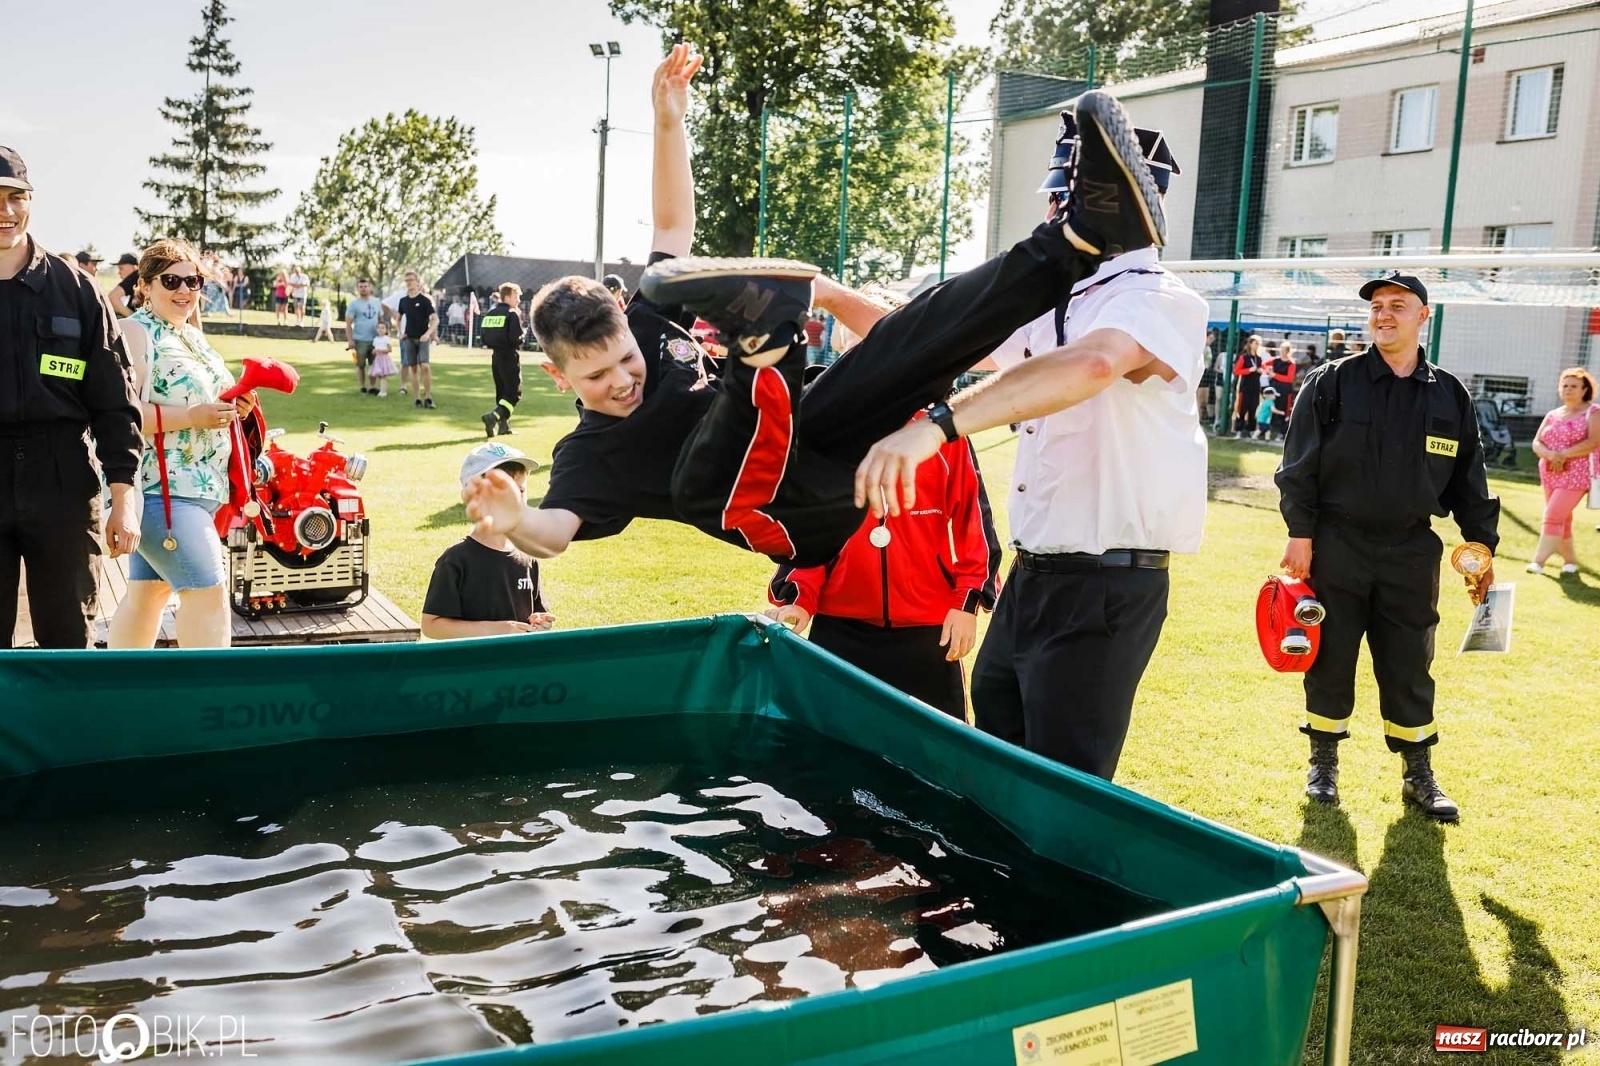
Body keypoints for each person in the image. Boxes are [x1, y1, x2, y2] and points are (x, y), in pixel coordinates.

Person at [463, 53, 1162, 576]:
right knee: (697, 483)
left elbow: (672, 226)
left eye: (625, 359)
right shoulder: (588, 458)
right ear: (559, 377)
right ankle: (762, 341)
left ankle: (1078, 238)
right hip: (783, 512)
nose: (622, 380)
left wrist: (668, 121)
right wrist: (517, 519)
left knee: (903, 340)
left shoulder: (645, 320)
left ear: (624, 322)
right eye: (596, 378)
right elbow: (554, 532)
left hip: (812, 438)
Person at [850, 116, 1208, 783]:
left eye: (1065, 198)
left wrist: (937, 424)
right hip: (1033, 575)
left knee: (1062, 781)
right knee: (999, 749)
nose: (1051, 214)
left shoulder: (1159, 298)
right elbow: (927, 340)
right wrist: (816, 292)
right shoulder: (1064, 299)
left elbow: (1094, 363)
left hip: (1104, 584)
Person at [1275, 271, 1500, 823]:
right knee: (1331, 656)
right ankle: (1323, 765)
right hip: (1336, 544)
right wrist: (1300, 534)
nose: (1384, 314)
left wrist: (1481, 547)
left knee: (1409, 662)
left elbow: (1469, 477)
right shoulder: (1332, 382)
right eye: (1377, 305)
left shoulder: (1449, 394)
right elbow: (1299, 465)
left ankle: (1418, 775)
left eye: (1398, 305)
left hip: (1411, 549)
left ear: (1423, 316)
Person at [765, 409, 1002, 720]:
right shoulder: (830, 427)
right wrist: (800, 596)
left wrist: (967, 602)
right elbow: (810, 526)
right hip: (838, 629)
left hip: (929, 632)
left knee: (933, 745)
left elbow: (974, 521)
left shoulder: (944, 431)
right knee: (832, 741)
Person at [0, 146, 142, 649]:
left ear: (31, 200)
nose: (5, 211)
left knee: (67, 640)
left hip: (61, 476)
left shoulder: (75, 290)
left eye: (16, 197)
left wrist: (123, 497)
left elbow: (114, 398)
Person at [106, 239, 249, 650]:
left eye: (194, 281)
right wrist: (192, 416)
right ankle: (208, 688)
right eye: (171, 281)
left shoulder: (192, 336)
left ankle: (117, 683)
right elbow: (121, 414)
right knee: (209, 592)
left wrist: (234, 405)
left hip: (198, 490)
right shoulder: (136, 332)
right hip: (160, 493)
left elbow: (205, 401)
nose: (185, 289)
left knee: (148, 595)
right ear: (144, 286)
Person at [421, 443, 553, 640]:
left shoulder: (527, 555)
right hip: (475, 660)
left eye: (520, 490)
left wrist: (540, 621)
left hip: (518, 659)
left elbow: (536, 611)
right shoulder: (456, 559)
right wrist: (496, 629)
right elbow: (431, 625)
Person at [1527, 367, 1600, 575]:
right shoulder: (1552, 414)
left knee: (1552, 515)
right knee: (1563, 518)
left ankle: (1538, 562)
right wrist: (1551, 455)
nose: (1568, 389)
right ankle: (1570, 562)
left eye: (1574, 386)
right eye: (1565, 385)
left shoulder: (1594, 412)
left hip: (1577, 474)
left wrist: (1563, 454)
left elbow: (1594, 441)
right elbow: (1537, 442)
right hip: (1550, 472)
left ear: (1584, 389)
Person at [479, 282, 525, 438]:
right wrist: (522, 337)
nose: (518, 300)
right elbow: (515, 338)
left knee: (502, 393)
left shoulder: (490, 314)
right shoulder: (512, 314)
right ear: (508, 296)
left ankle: (504, 427)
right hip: (509, 356)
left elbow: (483, 337)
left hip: (495, 357)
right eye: (517, 296)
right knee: (513, 394)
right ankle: (493, 417)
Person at [397, 270, 438, 408]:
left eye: (411, 280)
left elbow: (435, 319)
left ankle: (428, 397)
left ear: (417, 282)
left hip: (422, 339)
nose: (409, 283)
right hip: (409, 338)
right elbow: (398, 318)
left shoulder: (424, 300)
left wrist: (428, 333)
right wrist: (400, 333)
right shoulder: (403, 301)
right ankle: (417, 398)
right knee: (413, 368)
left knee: (425, 366)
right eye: (406, 280)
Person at [345, 277, 384, 395]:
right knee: (360, 364)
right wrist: (350, 340)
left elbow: (381, 320)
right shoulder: (354, 304)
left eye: (366, 286)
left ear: (370, 287)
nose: (363, 289)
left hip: (375, 339)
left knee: (374, 364)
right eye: (361, 287)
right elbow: (348, 323)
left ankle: (372, 386)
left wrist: (383, 337)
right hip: (360, 339)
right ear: (357, 289)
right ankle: (362, 386)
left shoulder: (376, 302)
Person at [1232, 333, 1263, 438]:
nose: (1257, 346)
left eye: (1258, 344)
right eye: (1255, 343)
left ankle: (1251, 429)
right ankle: (1238, 430)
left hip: (1255, 386)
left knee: (1253, 408)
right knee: (1242, 408)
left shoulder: (1259, 358)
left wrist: (1260, 371)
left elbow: (1261, 369)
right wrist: (1249, 370)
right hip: (1245, 386)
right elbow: (1236, 371)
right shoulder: (1244, 357)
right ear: (1250, 344)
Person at [369, 322, 397, 397]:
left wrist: (381, 351)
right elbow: (375, 348)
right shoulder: (375, 339)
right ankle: (382, 390)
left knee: (383, 375)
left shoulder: (386, 339)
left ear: (386, 330)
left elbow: (389, 349)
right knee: (380, 375)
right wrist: (374, 351)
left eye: (382, 328)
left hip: (384, 359)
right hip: (378, 359)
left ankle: (383, 391)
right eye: (379, 328)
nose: (380, 330)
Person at [108, 252, 140, 318]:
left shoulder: (135, 275)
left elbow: (112, 297)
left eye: (121, 268)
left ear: (134, 267)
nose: (119, 272)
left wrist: (134, 319)